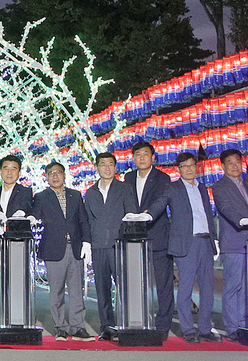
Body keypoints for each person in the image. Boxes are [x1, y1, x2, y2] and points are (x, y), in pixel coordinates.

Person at [143, 152, 222, 343]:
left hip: (205, 241)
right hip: (186, 243)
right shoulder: (173, 188)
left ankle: (205, 328)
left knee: (207, 287)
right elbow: (159, 204)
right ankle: (188, 329)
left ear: (196, 167)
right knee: (186, 287)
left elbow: (207, 215)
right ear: (178, 170)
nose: (188, 169)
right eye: (184, 166)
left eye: (191, 166)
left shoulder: (202, 188)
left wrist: (215, 239)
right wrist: (147, 216)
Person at [33, 161, 92, 340]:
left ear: (65, 175)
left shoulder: (75, 195)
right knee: (56, 291)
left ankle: (78, 327)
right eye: (51, 173)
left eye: (59, 172)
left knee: (76, 291)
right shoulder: (41, 197)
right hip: (53, 249)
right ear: (46, 177)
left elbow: (83, 220)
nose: (55, 176)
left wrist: (86, 242)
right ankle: (60, 327)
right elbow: (35, 214)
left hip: (74, 249)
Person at [122, 141, 175, 335]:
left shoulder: (163, 178)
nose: (142, 157)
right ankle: (138, 321)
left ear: (153, 157)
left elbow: (162, 200)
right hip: (134, 239)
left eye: (146, 154)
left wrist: (148, 214)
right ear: (133, 158)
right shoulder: (127, 178)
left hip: (158, 236)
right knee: (136, 282)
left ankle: (163, 326)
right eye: (138, 154)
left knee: (163, 283)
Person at [83, 151, 135, 340]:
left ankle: (128, 325)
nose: (107, 168)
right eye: (103, 164)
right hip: (98, 247)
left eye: (110, 164)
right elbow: (88, 220)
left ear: (115, 167)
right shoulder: (91, 192)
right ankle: (107, 326)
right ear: (96, 168)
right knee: (102, 288)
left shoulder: (124, 189)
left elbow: (130, 215)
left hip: (118, 245)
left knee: (125, 286)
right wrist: (88, 243)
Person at [210, 148, 248, 340]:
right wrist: (243, 221)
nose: (235, 165)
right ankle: (232, 326)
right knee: (233, 286)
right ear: (223, 166)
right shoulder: (220, 186)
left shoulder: (245, 184)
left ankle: (244, 323)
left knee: (246, 286)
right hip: (234, 241)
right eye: (230, 162)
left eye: (238, 161)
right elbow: (226, 208)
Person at [0, 154, 34, 289]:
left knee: (17, 285)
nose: (9, 172)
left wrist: (19, 215)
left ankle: (17, 311)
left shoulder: (25, 192)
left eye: (14, 169)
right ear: (0, 171)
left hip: (17, 245)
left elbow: (25, 206)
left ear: (19, 172)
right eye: (6, 168)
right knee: (0, 284)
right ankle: (4, 310)